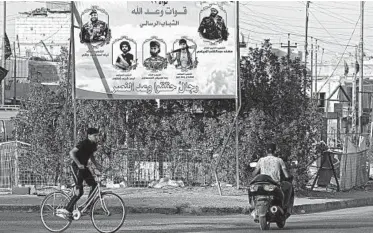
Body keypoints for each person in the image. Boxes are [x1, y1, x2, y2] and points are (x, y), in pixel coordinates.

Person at [57, 128, 103, 220]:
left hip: (84, 168)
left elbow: (91, 156)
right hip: (76, 167)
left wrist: (98, 166)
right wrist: (78, 164)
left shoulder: (93, 145)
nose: (97, 137)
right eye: (95, 135)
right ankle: (66, 210)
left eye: (97, 135)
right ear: (89, 136)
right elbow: (71, 153)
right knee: (79, 192)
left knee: (94, 185)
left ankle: (88, 207)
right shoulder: (84, 143)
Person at [252, 143, 293, 212]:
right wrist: (289, 175)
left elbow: (254, 174)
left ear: (266, 151)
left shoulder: (261, 160)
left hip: (263, 183)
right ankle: (284, 206)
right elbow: (286, 175)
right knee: (289, 186)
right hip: (275, 183)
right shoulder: (279, 160)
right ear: (275, 151)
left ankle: (253, 205)